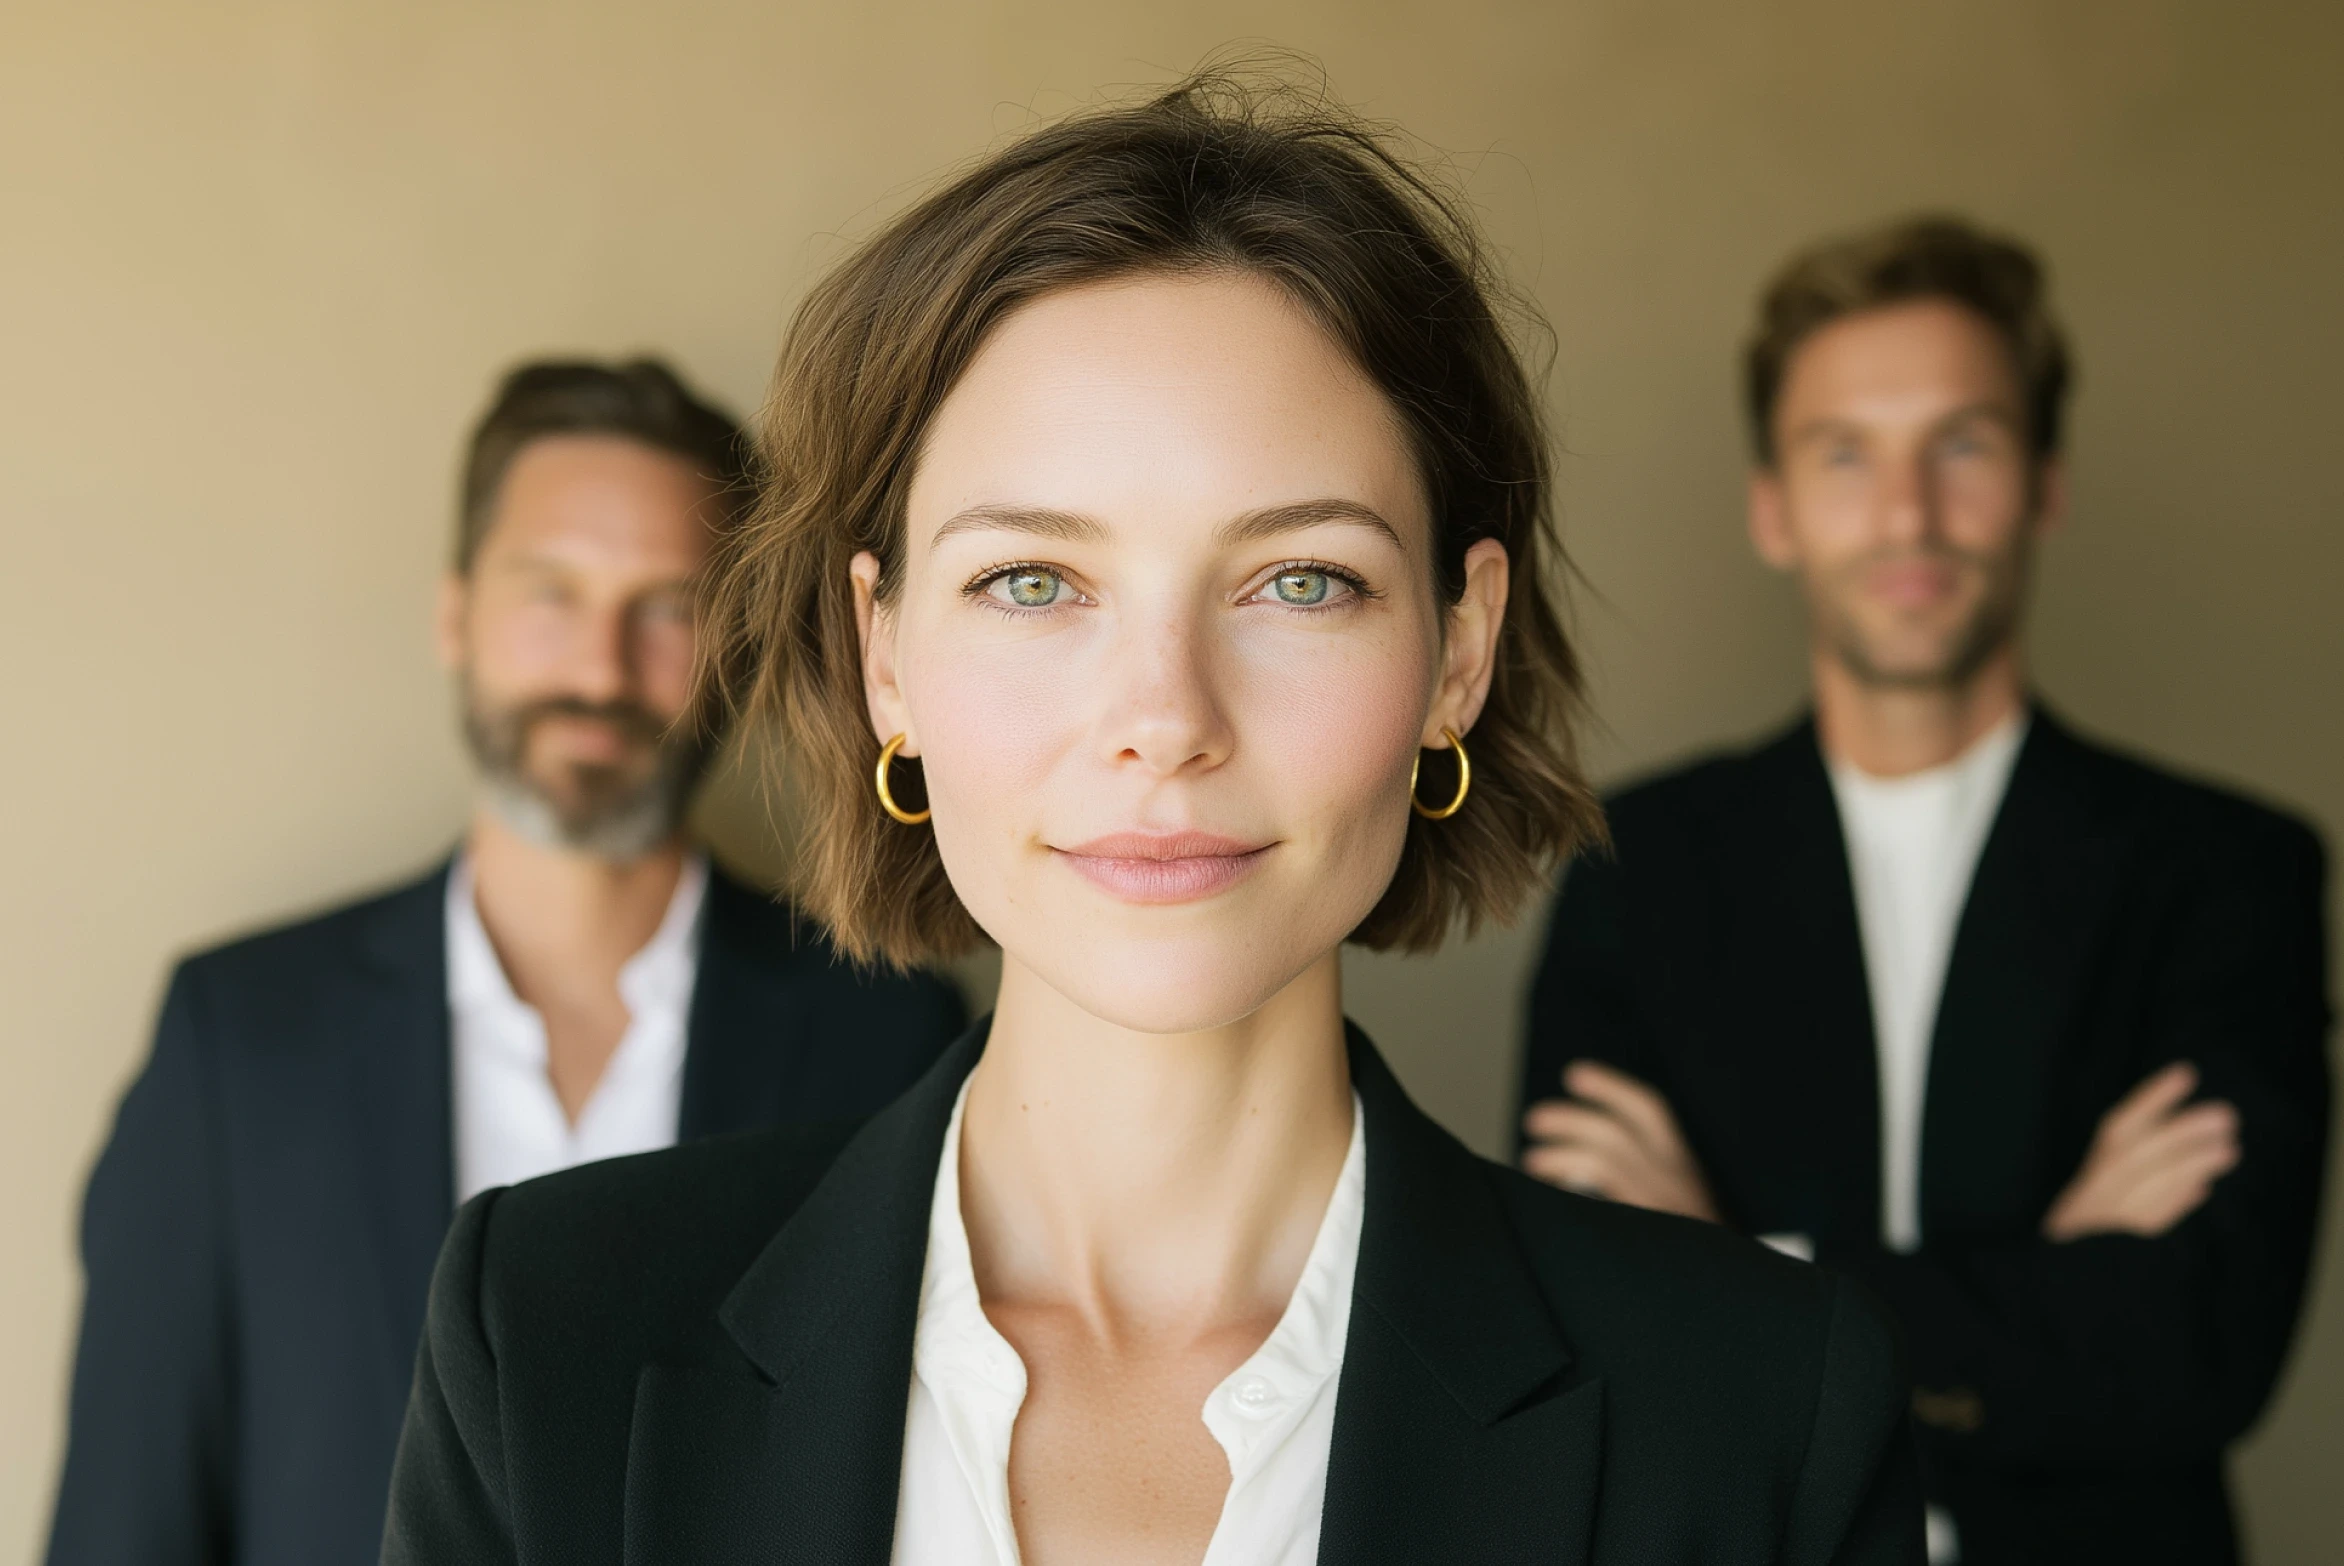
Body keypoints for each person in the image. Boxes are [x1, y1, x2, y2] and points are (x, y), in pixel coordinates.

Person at [382, 78, 1924, 1566]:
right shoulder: (549, 1331)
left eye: (1300, 579)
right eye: (1034, 581)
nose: (1167, 715)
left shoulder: (1761, 1410)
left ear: (1459, 651)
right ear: (886, 656)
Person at [46, 359, 967, 1566]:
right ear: (455, 614)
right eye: (552, 594)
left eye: (667, 605)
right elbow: (125, 1529)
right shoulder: (241, 1039)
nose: (599, 669)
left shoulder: (887, 1034)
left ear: (733, 648)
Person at [1517, 216, 2331, 1565]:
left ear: (2045, 482)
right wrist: (2039, 1285)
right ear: (1773, 505)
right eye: (1848, 453)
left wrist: (1741, 1262)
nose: (1909, 513)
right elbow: (1594, 1351)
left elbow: (2196, 1357)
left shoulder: (2225, 871)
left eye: (1965, 443)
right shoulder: (1634, 867)